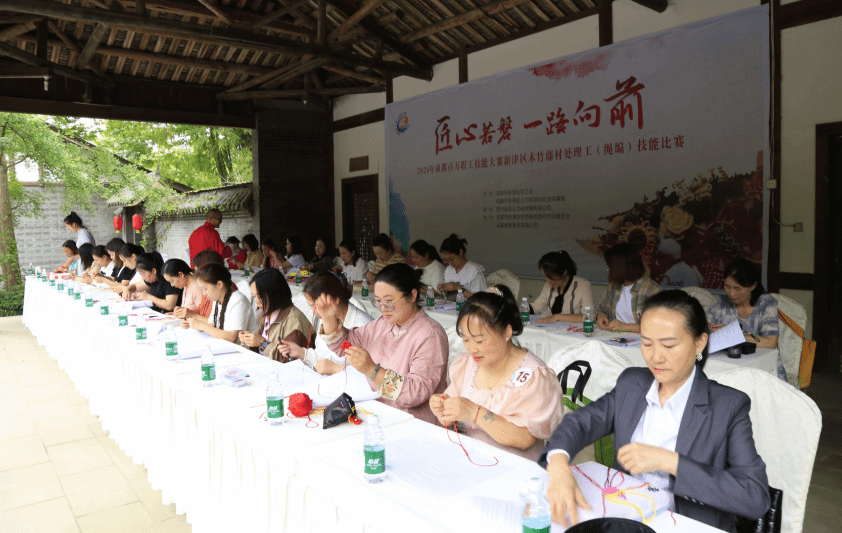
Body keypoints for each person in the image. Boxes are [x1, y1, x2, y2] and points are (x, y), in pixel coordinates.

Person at [540, 290, 770, 532]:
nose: (656, 357)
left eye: (669, 345)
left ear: (699, 343)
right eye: (647, 343)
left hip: (686, 524)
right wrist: (558, 462)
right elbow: (580, 422)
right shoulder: (632, 384)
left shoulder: (727, 406)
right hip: (627, 515)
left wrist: (670, 461)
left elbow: (755, 497)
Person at [430, 285, 563, 460]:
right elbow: (447, 419)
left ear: (506, 332)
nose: (472, 349)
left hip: (517, 468)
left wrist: (475, 412)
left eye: (479, 340)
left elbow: (525, 439)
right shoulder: (467, 364)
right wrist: (442, 407)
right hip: (475, 460)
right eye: (466, 339)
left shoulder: (533, 375)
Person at [317, 263, 448, 424]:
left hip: (413, 422)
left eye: (389, 301)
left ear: (412, 295)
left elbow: (415, 393)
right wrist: (328, 318)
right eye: (378, 301)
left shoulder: (430, 335)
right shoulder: (383, 324)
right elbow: (346, 345)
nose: (382, 309)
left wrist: (372, 370)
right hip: (379, 413)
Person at [278, 272, 374, 374]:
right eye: (311, 306)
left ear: (335, 300)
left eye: (316, 306)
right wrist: (300, 352)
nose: (314, 312)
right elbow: (322, 357)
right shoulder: (326, 316)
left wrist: (336, 369)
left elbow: (371, 371)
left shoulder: (363, 325)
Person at [707, 259, 782, 379]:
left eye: (737, 289)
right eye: (727, 286)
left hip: (761, 368)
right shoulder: (720, 304)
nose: (731, 293)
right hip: (727, 366)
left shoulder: (766, 304)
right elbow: (703, 333)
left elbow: (770, 343)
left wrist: (730, 334)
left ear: (753, 286)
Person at [237, 268, 311, 360]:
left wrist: (262, 343)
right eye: (254, 296)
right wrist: (248, 341)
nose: (257, 302)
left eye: (260, 296)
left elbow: (289, 359)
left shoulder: (295, 321)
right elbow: (260, 351)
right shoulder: (268, 314)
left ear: (274, 294)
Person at [595, 243, 660, 333]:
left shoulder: (651, 289)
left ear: (620, 268)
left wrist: (625, 327)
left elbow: (659, 325)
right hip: (614, 337)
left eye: (609, 267)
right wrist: (600, 316)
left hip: (643, 340)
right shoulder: (613, 287)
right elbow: (600, 309)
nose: (608, 270)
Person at [185, 263, 257, 342]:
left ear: (219, 284)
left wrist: (201, 325)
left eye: (205, 288)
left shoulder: (238, 301)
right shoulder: (217, 299)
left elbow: (232, 337)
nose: (204, 293)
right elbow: (211, 325)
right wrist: (192, 323)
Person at [531, 251, 594, 324]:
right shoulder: (548, 286)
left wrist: (557, 317)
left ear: (564, 272)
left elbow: (589, 315)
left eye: (552, 277)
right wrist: (520, 309)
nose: (549, 281)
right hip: (555, 328)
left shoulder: (582, 285)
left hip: (576, 328)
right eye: (545, 276)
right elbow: (536, 307)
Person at [173, 250, 228, 321]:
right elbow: (201, 310)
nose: (197, 275)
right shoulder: (208, 288)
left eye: (198, 271)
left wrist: (192, 315)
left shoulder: (220, 290)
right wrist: (185, 313)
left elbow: (216, 323)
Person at [438, 234, 487, 299]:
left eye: (451, 259)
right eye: (446, 260)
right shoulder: (449, 269)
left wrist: (459, 288)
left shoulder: (475, 270)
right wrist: (443, 289)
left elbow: (480, 298)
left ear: (460, 252)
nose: (449, 263)